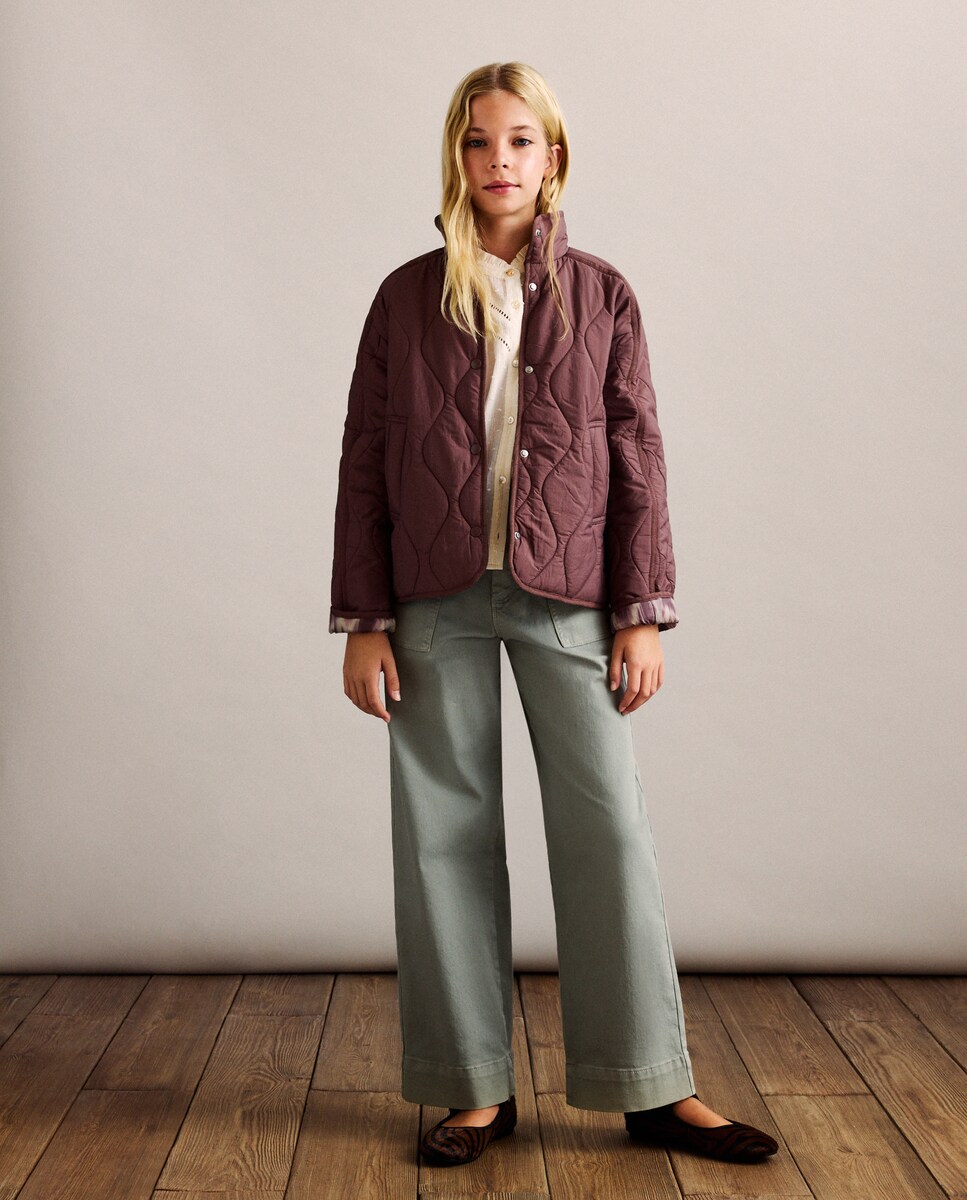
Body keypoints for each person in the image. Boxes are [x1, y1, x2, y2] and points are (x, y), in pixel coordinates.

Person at [329, 61, 779, 1170]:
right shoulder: (404, 297)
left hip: (569, 592)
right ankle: (472, 1088)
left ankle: (650, 1085)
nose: (500, 161)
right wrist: (364, 617)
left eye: (520, 141)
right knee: (441, 836)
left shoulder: (603, 295)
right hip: (432, 593)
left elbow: (638, 457)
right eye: (479, 141)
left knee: (606, 828)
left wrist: (640, 611)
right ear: (456, 156)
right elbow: (365, 460)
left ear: (553, 157)